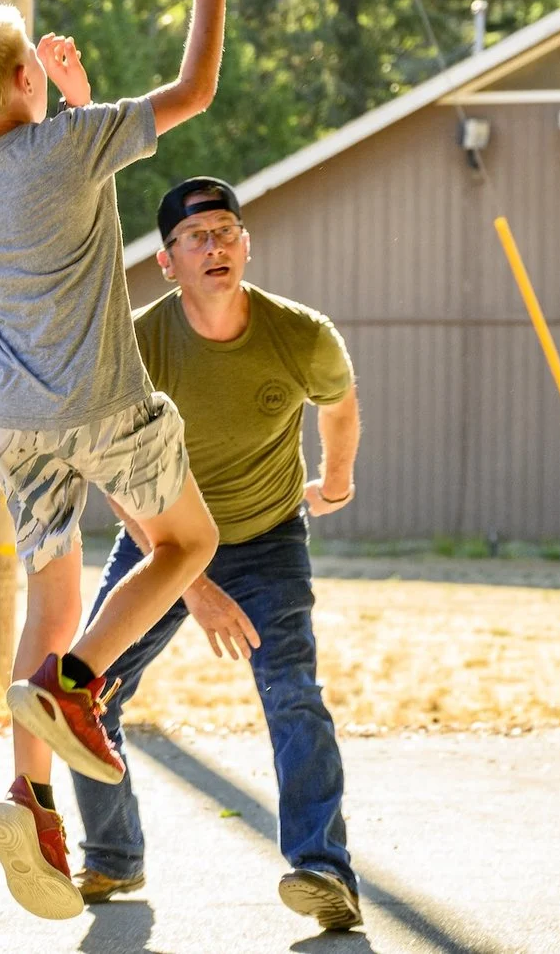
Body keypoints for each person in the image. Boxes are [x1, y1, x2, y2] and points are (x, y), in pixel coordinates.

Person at [0, 0, 235, 921]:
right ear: (21, 82)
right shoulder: (72, 141)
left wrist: (70, 103)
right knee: (186, 541)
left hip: (15, 416)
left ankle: (33, 798)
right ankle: (86, 680)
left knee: (43, 603)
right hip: (101, 402)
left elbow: (64, 174)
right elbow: (191, 94)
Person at [72, 176, 365, 933]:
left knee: (292, 692)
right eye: (196, 237)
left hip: (268, 535)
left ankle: (323, 871)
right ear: (167, 261)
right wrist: (194, 586)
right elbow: (118, 480)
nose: (215, 247)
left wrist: (337, 477)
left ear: (246, 245)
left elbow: (339, 401)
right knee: (83, 689)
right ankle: (112, 851)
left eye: (227, 231)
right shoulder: (141, 344)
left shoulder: (299, 332)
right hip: (165, 540)